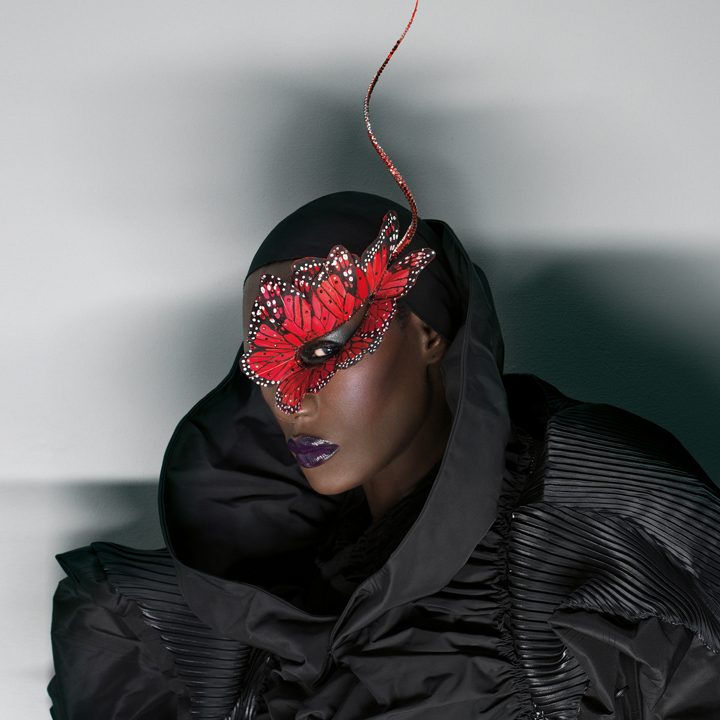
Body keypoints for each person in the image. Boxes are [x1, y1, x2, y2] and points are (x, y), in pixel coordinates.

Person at [49, 5, 720, 719]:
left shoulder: (602, 535)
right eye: (264, 362)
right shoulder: (218, 627)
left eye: (321, 349)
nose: (290, 399)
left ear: (430, 333)